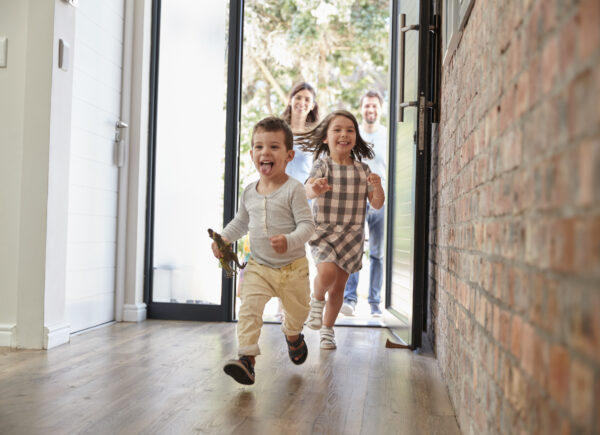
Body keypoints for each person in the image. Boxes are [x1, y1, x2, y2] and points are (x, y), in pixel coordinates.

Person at [212, 117, 315, 385]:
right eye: (259, 147)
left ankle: (293, 335)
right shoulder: (249, 192)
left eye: (274, 147)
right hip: (259, 266)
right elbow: (241, 223)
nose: (265, 152)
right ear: (251, 155)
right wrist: (223, 239)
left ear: (289, 155)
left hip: (293, 268)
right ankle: (247, 359)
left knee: (298, 313)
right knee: (248, 309)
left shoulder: (295, 189)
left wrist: (290, 240)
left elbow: (307, 225)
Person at [302, 110, 385, 349]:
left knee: (338, 288)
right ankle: (316, 301)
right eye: (337, 129)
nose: (344, 134)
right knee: (326, 274)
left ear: (356, 138)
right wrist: (314, 189)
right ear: (326, 138)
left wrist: (377, 187)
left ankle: (328, 330)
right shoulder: (322, 165)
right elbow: (307, 190)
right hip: (324, 233)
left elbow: (377, 204)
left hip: (352, 237)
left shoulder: (363, 170)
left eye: (350, 130)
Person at [340, 91, 388, 317]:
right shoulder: (353, 136)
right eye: (367, 106)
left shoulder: (388, 136)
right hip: (356, 201)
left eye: (374, 106)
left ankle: (375, 303)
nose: (371, 110)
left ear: (381, 108)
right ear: (362, 108)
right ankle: (349, 299)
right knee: (353, 251)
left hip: (380, 201)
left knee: (377, 253)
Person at [282, 82, 320, 184]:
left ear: (312, 106)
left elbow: (318, 173)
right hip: (278, 194)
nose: (302, 102)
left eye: (307, 99)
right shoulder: (278, 132)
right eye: (298, 98)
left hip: (303, 196)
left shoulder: (315, 138)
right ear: (290, 101)